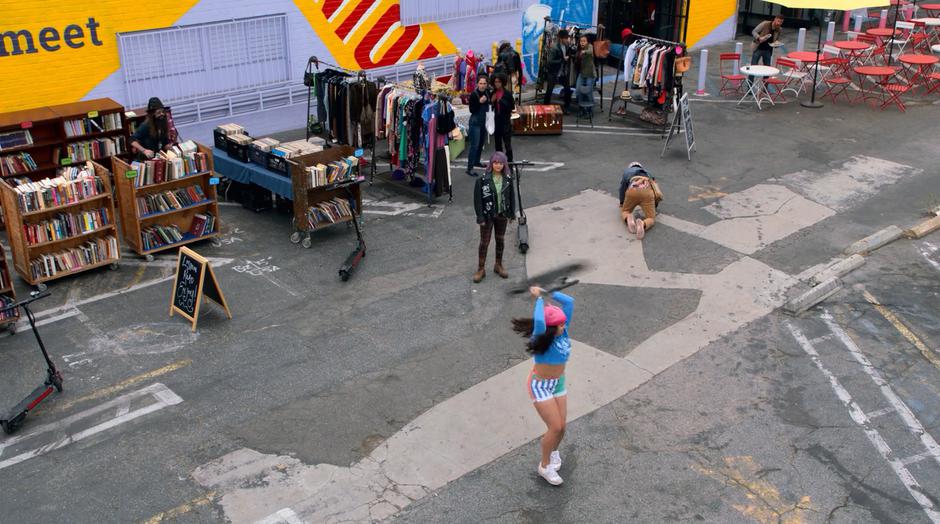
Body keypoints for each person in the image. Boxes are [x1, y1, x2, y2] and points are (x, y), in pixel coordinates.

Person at [511, 286, 575, 486]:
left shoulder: (562, 334)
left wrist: (548, 291)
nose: (564, 326)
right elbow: (539, 321)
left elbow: (570, 302)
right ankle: (544, 466)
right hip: (540, 386)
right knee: (554, 427)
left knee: (562, 427)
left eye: (564, 323)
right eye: (560, 324)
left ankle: (553, 452)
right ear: (550, 328)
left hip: (558, 382)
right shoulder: (540, 339)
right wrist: (538, 299)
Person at [472, 151, 515, 283]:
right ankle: (481, 269)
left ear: (504, 164)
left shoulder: (508, 179)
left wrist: (511, 213)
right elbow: (478, 200)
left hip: (502, 214)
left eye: (501, 163)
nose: (498, 165)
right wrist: (480, 217)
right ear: (491, 163)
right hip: (487, 215)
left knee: (500, 240)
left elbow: (511, 197)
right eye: (496, 162)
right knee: (484, 243)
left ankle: (498, 265)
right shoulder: (482, 180)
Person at [619, 162, 661, 240]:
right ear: (641, 167)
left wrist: (622, 202)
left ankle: (628, 218)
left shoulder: (627, 172)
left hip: (632, 190)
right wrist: (655, 205)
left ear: (630, 167)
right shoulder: (648, 173)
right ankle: (643, 224)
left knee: (625, 211)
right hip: (647, 193)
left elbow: (622, 189)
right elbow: (655, 189)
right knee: (651, 218)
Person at [542, 29, 573, 113]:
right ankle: (545, 108)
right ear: (561, 38)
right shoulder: (554, 47)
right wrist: (562, 59)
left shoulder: (566, 46)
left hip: (562, 72)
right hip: (553, 72)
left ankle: (566, 107)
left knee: (568, 89)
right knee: (549, 90)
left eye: (567, 38)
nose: (567, 40)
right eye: (566, 38)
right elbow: (550, 61)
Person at [466, 75, 491, 177]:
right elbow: (472, 110)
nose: (482, 85)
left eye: (484, 83)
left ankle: (477, 161)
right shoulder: (473, 95)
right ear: (477, 84)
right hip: (475, 123)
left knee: (481, 144)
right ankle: (470, 168)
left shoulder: (487, 92)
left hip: (483, 122)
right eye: (481, 83)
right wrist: (480, 102)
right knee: (474, 145)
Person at [490, 74, 515, 163]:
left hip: (505, 121)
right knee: (497, 144)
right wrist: (491, 102)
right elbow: (489, 108)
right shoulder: (492, 93)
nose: (497, 84)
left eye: (499, 82)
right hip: (496, 122)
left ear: (503, 82)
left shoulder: (507, 94)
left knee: (507, 144)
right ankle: (499, 162)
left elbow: (512, 107)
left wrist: (501, 101)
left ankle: (510, 162)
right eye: (495, 82)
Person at [575, 35, 595, 116]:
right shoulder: (579, 50)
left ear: (587, 42)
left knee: (588, 93)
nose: (582, 42)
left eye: (584, 41)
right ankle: (582, 108)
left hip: (590, 74)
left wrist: (584, 52)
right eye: (581, 41)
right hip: (582, 73)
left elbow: (590, 51)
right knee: (578, 91)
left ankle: (590, 109)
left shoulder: (590, 47)